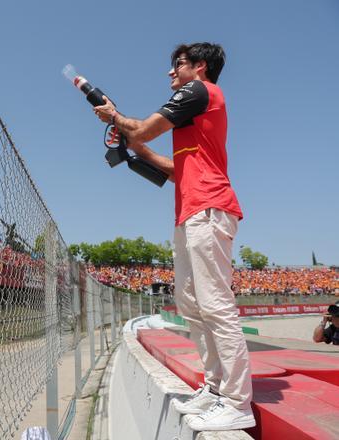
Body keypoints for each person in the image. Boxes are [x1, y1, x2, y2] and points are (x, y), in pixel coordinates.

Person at [93, 42, 254, 431]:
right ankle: (216, 389)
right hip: (191, 210)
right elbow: (176, 169)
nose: (170, 73)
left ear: (199, 67)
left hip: (209, 207)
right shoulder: (193, 117)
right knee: (191, 303)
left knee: (214, 304)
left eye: (177, 65)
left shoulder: (200, 90)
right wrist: (139, 149)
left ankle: (237, 400)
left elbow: (145, 127)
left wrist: (116, 116)